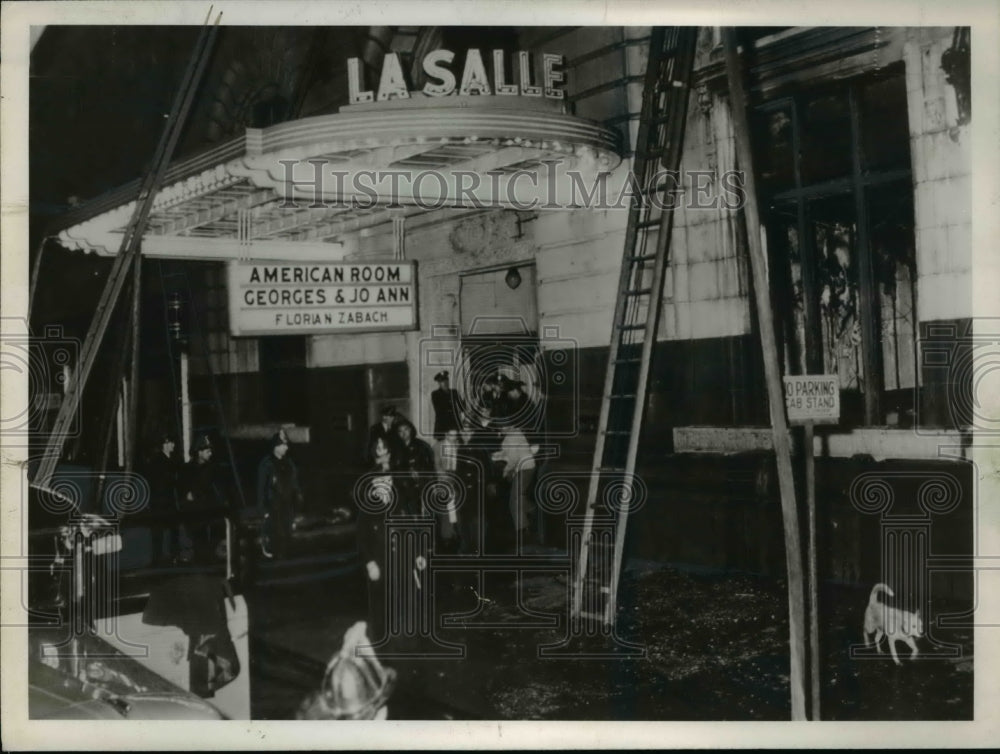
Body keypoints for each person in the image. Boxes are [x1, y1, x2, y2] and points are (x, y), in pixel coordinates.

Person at [179, 435, 228, 563]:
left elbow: (218, 488)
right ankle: (200, 558)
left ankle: (210, 558)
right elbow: (184, 489)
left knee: (213, 535)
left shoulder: (213, 468)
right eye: (207, 451)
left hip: (210, 507)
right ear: (199, 452)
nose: (210, 454)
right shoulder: (187, 469)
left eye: (210, 451)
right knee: (198, 536)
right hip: (195, 509)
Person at [256, 430, 304, 560]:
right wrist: (263, 509)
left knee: (287, 533)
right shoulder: (267, 464)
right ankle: (275, 556)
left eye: (286, 444)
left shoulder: (289, 464)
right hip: (273, 506)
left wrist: (298, 500)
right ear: (276, 447)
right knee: (276, 533)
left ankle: (285, 557)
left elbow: (294, 484)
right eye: (283, 445)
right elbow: (261, 488)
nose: (286, 447)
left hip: (287, 505)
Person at [491, 423, 540, 544]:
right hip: (527, 467)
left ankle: (523, 530)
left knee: (514, 500)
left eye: (502, 427)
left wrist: (506, 471)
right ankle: (534, 511)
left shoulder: (511, 437)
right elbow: (509, 452)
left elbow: (513, 459)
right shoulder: (515, 434)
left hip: (524, 468)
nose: (500, 429)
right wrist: (498, 455)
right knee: (519, 497)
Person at [144, 433, 181, 566]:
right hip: (160, 499)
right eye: (171, 443)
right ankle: (158, 557)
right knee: (159, 529)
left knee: (173, 528)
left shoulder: (172, 460)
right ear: (164, 445)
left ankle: (173, 555)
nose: (173, 445)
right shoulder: (157, 461)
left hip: (168, 498)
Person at [393, 419, 434, 517]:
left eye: (406, 429)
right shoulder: (396, 448)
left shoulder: (422, 446)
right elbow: (394, 468)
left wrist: (419, 472)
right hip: (403, 486)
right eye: (400, 431)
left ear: (411, 429)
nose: (404, 433)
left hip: (421, 483)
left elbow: (430, 466)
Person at [430, 370, 464, 441]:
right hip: (442, 426)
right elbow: (439, 409)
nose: (445, 383)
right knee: (442, 445)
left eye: (446, 381)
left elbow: (462, 407)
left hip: (455, 424)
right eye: (442, 382)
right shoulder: (435, 394)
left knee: (459, 443)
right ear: (439, 383)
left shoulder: (454, 392)